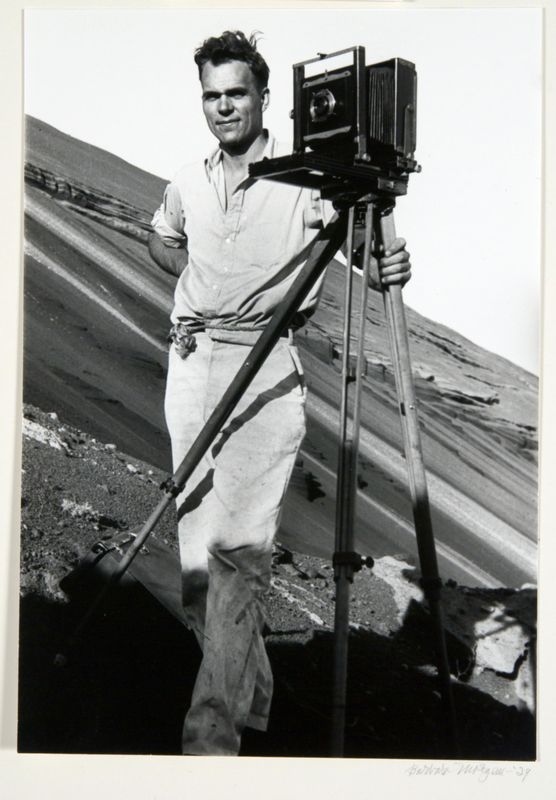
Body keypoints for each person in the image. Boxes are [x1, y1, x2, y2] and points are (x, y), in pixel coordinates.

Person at [148, 30, 411, 756]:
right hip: (192, 362)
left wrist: (387, 257)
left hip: (264, 373)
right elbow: (161, 235)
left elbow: (364, 249)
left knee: (239, 557)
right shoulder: (188, 181)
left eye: (236, 93)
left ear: (265, 97)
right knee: (200, 562)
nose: (224, 106)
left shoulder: (310, 181)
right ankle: (254, 697)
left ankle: (212, 741)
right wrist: (188, 272)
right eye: (212, 95)